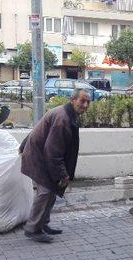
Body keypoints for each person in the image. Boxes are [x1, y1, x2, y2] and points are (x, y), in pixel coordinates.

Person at [19, 89, 91, 243]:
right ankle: (33, 229)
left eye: (88, 102)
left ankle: (43, 223)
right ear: (73, 100)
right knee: (45, 191)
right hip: (38, 157)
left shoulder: (68, 114)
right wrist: (63, 175)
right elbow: (53, 152)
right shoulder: (63, 118)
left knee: (51, 192)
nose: (85, 105)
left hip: (41, 155)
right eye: (82, 101)